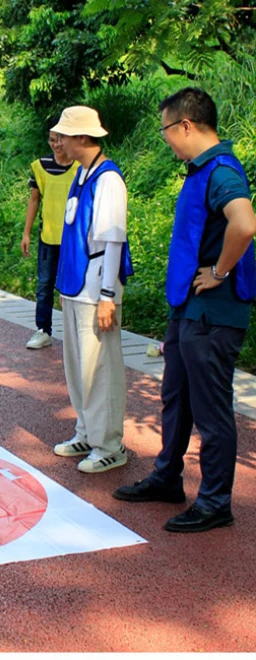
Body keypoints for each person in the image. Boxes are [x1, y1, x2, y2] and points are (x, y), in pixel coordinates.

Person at [114, 88, 256, 532]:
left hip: (214, 313)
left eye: (166, 131)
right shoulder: (199, 171)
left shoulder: (222, 172)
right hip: (188, 309)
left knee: (211, 410)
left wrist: (219, 269)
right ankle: (167, 477)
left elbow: (246, 222)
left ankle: (215, 503)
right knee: (175, 396)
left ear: (186, 125)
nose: (166, 141)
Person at [52, 105, 134, 473]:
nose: (60, 142)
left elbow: (113, 240)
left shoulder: (108, 180)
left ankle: (110, 445)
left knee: (100, 370)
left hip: (96, 289)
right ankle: (86, 430)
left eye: (65, 136)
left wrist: (107, 297)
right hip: (74, 287)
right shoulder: (82, 174)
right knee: (78, 367)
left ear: (83, 137)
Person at [21, 123, 79, 349]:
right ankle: (43, 330)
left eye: (59, 139)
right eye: (51, 139)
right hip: (48, 237)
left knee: (72, 286)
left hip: (73, 239)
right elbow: (34, 199)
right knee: (44, 285)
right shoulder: (40, 166)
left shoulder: (80, 168)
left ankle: (75, 333)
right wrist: (26, 233)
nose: (55, 144)